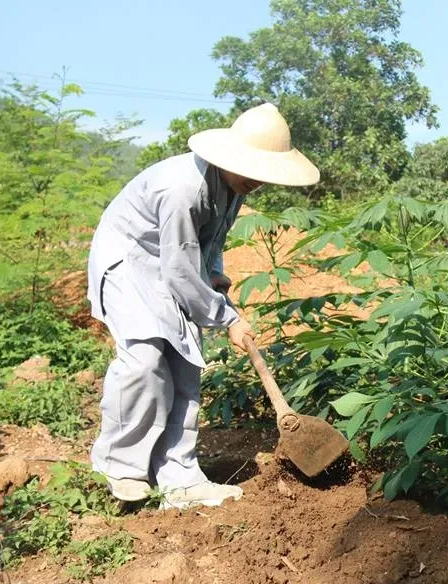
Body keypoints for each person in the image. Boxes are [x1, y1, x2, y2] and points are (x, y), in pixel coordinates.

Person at [86, 103, 319, 509]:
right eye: (252, 168)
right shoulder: (183, 188)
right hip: (130, 260)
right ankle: (120, 465)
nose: (256, 180)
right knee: (145, 358)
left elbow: (209, 243)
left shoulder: (233, 187)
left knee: (185, 364)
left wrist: (213, 274)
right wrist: (227, 318)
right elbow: (178, 268)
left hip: (169, 261)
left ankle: (180, 479)